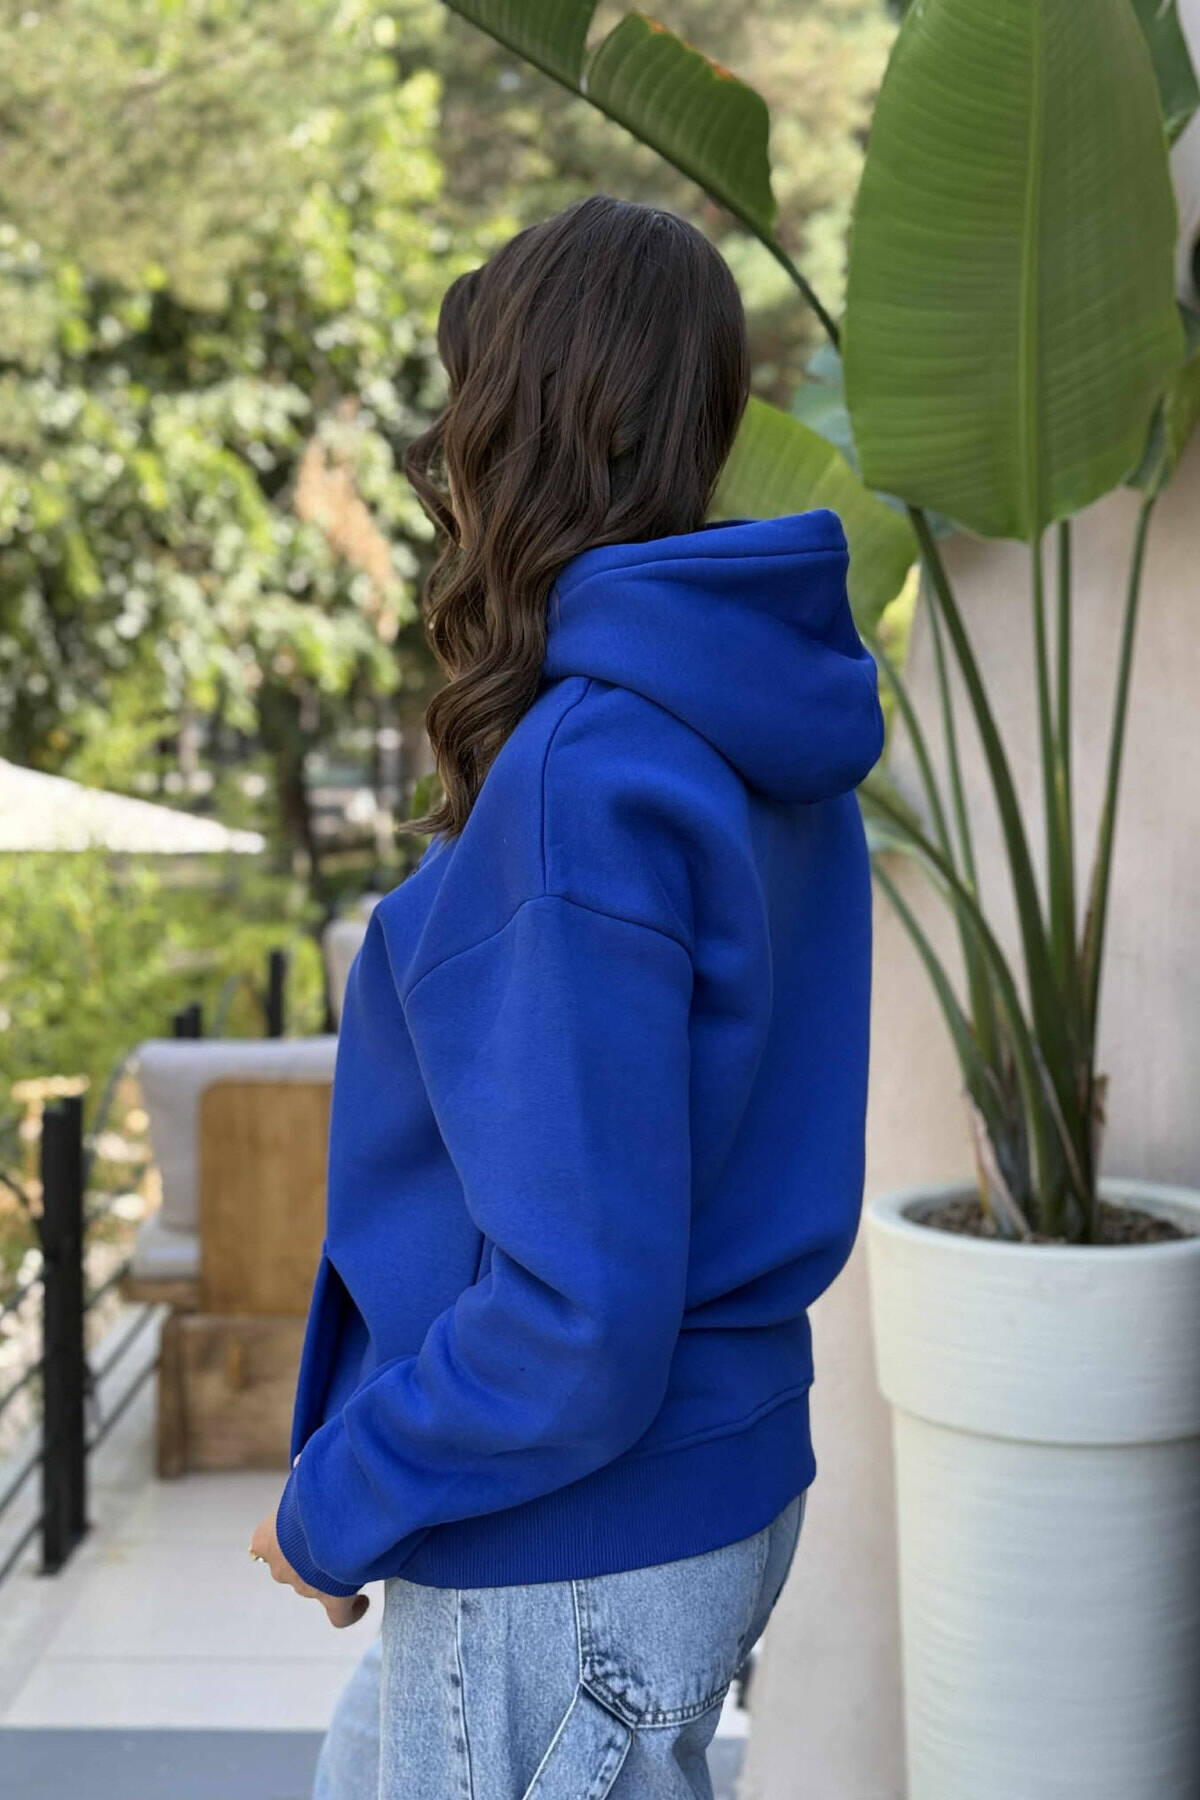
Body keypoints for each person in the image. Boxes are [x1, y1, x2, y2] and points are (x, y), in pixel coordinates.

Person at [249, 192, 883, 1799]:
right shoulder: (750, 728)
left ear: (514, 424)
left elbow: (572, 1317)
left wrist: (334, 1503)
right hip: (690, 1493)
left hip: (566, 1540)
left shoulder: (586, 775)